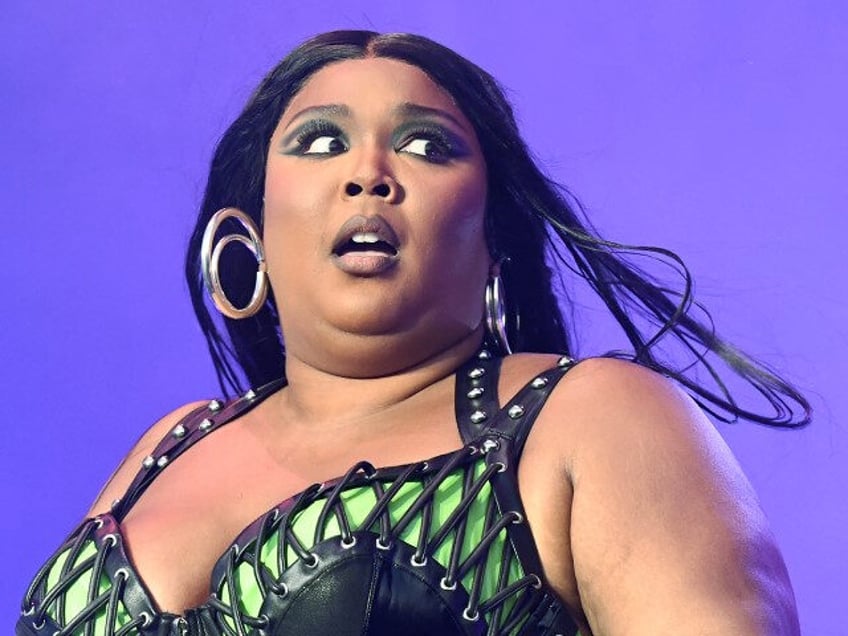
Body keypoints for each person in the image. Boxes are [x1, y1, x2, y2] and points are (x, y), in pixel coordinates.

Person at [18, 30, 810, 636]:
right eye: (319, 142)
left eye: (427, 145)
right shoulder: (172, 443)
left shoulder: (589, 418)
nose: (368, 172)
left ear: (494, 237)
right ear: (251, 231)